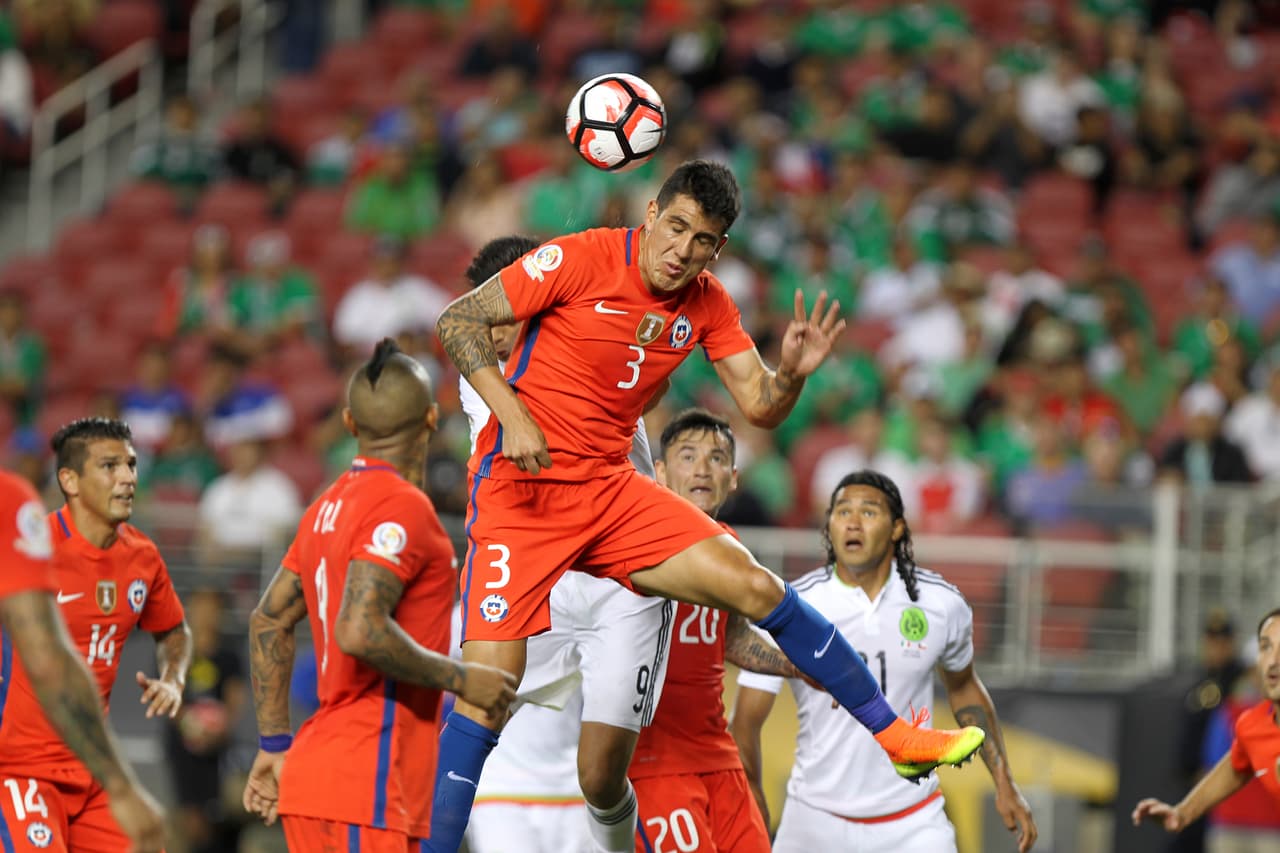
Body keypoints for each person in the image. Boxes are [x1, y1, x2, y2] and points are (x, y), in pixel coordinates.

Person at [428, 159, 986, 853]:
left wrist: (791, 375)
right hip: (523, 498)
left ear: (718, 248)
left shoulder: (708, 303)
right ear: (652, 214)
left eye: (702, 240)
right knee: (486, 694)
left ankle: (896, 736)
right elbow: (458, 319)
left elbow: (760, 405)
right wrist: (512, 415)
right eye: (676, 227)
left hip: (610, 490)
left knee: (756, 585)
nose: (682, 250)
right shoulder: (579, 258)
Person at [241, 339, 517, 851]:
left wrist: (274, 743)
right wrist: (463, 679)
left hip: (315, 779)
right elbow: (359, 628)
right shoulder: (404, 508)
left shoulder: (324, 507)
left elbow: (268, 619)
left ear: (349, 423)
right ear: (431, 417)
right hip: (370, 784)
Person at [456, 235, 679, 853]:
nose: (500, 331)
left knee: (601, 773)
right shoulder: (482, 378)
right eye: (490, 316)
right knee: (479, 716)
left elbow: (652, 383)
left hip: (619, 577)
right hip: (541, 573)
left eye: (510, 311)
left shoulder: (596, 338)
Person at [731, 471, 1037, 853]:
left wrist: (1005, 784)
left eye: (869, 512)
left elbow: (964, 688)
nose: (853, 522)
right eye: (843, 511)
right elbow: (745, 721)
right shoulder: (794, 608)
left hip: (914, 822)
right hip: (813, 820)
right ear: (829, 526)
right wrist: (752, 794)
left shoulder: (942, 604)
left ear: (897, 529)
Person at [0, 417, 193, 852]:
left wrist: (173, 678)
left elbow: (173, 629)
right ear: (69, 480)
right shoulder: (32, 548)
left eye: (131, 464)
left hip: (93, 768)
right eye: (110, 466)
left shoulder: (143, 556)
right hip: (19, 768)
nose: (127, 478)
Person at [632, 408, 805, 852]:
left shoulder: (731, 549)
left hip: (718, 755)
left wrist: (799, 666)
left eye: (716, 458)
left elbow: (731, 637)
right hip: (654, 761)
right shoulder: (634, 542)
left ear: (734, 478)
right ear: (660, 472)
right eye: (688, 456)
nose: (703, 469)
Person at [1133, 608, 1280, 832]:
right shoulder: (1253, 725)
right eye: (1265, 647)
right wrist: (1183, 813)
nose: (1273, 661)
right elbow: (1236, 766)